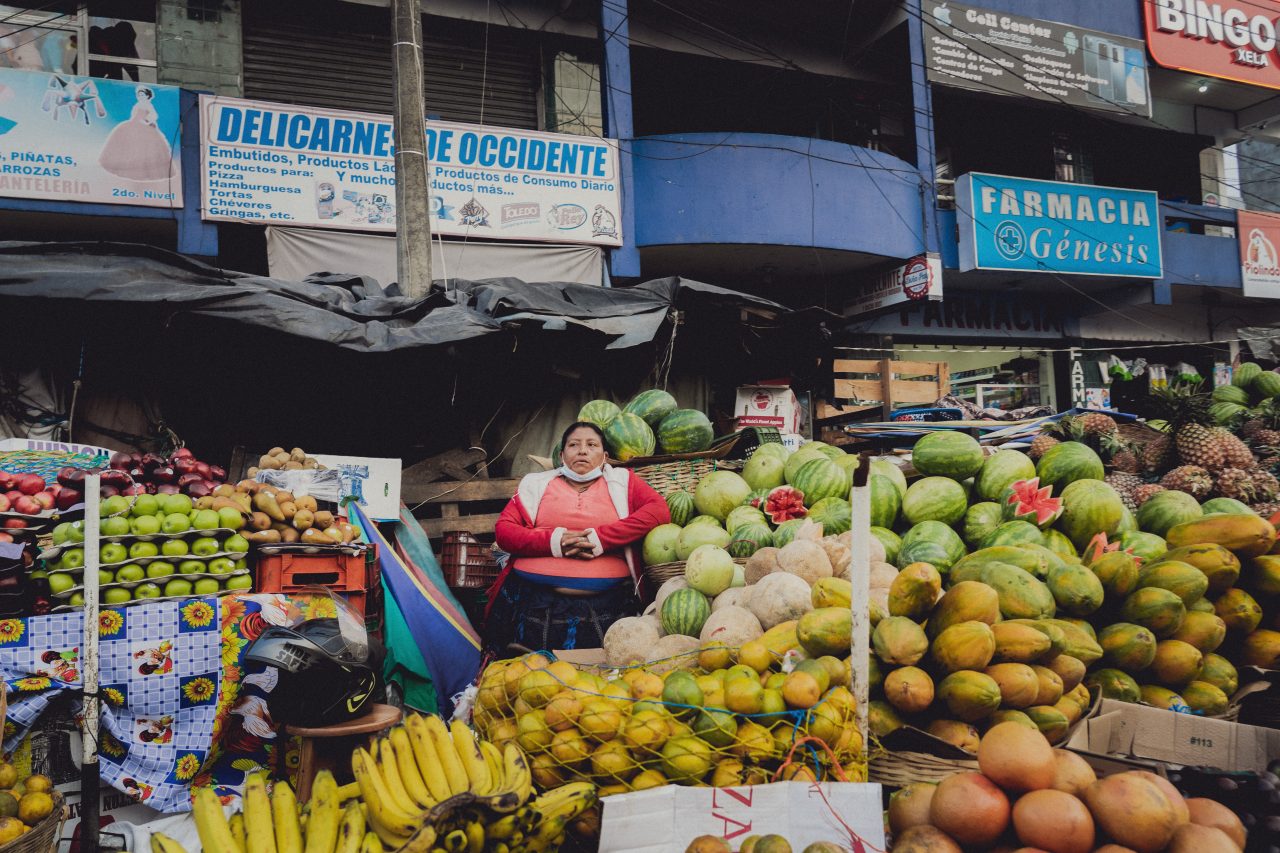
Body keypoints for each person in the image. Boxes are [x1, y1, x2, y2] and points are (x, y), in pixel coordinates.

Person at [485, 421, 670, 654]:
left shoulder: (622, 481)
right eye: (574, 445)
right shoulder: (537, 484)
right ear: (562, 455)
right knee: (522, 674)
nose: (582, 450)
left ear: (605, 456)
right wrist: (556, 542)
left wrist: (601, 539)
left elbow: (658, 511)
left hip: (607, 608)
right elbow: (505, 532)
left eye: (591, 445)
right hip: (532, 604)